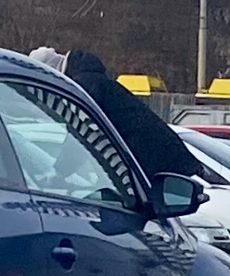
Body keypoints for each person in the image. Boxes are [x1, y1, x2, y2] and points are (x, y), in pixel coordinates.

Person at [28, 46, 203, 181]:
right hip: (163, 155)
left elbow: (84, 135)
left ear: (50, 73)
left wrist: (58, 172)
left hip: (154, 161)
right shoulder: (93, 80)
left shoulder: (84, 88)